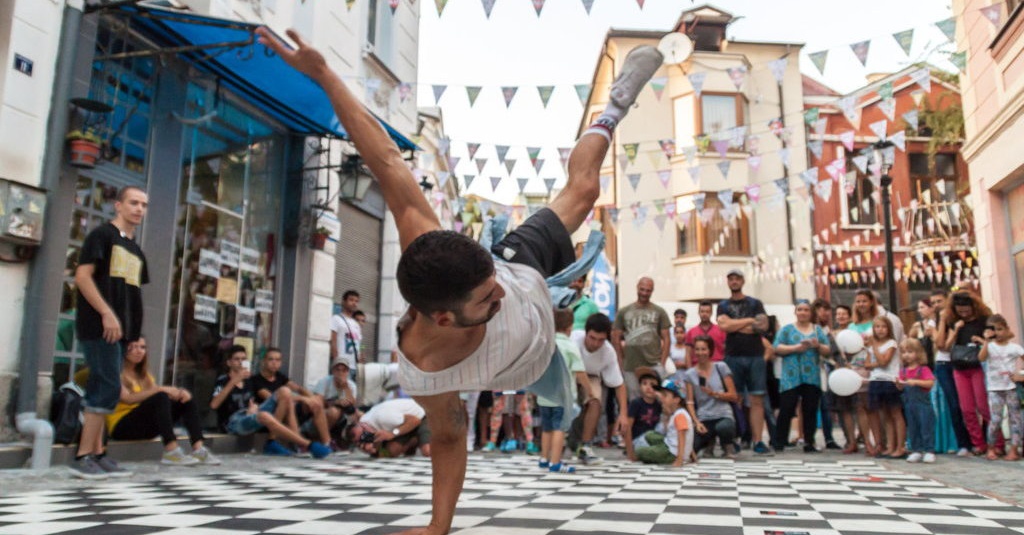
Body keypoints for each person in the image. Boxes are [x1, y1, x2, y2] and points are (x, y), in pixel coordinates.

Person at [70, 186, 149, 479]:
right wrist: (106, 313)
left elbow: (133, 293)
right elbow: (82, 277)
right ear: (118, 205)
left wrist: (133, 334)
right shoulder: (101, 236)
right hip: (99, 326)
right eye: (133, 202)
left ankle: (98, 453)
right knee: (103, 387)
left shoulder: (136, 249)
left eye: (143, 204)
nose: (139, 209)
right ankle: (83, 456)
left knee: (109, 389)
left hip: (122, 332)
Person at [105, 337, 218, 465]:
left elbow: (155, 397)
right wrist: (162, 389)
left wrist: (178, 393)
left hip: (141, 425)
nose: (139, 351)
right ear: (124, 350)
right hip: (121, 426)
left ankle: (199, 449)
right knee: (161, 396)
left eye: (142, 347)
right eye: (134, 347)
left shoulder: (144, 375)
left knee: (185, 399)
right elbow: (128, 399)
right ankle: (171, 451)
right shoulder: (115, 373)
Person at [210, 345, 330, 458]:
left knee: (285, 391)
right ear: (229, 363)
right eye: (237, 359)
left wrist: (253, 408)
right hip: (232, 422)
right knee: (265, 415)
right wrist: (233, 381)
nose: (241, 362)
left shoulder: (248, 381)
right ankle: (307, 444)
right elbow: (214, 405)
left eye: (243, 359)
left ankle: (285, 444)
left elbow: (254, 401)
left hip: (248, 415)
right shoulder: (223, 380)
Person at [716, 268, 771, 455]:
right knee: (735, 398)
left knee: (757, 399)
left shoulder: (755, 303)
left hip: (755, 355)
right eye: (730, 278)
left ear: (743, 281)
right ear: (727, 282)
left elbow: (762, 325)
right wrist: (749, 321)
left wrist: (734, 325)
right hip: (733, 356)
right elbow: (724, 326)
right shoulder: (722, 305)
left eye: (737, 278)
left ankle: (757, 441)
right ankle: (736, 439)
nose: (734, 281)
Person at [937, 290, 995, 455]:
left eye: (966, 310)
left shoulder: (983, 320)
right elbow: (944, 347)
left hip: (978, 367)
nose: (963, 313)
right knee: (967, 409)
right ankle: (977, 443)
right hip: (959, 367)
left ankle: (995, 443)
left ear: (973, 306)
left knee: (984, 407)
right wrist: (954, 330)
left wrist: (982, 341)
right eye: (960, 310)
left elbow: (995, 342)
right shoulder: (954, 321)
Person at [772, 301, 831, 453]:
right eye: (800, 310)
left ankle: (809, 441)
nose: (803, 312)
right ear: (795, 312)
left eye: (806, 310)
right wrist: (796, 348)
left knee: (810, 409)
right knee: (786, 407)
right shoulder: (787, 330)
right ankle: (779, 440)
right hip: (791, 376)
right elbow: (776, 347)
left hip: (811, 375)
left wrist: (818, 346)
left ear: (811, 313)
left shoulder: (817, 330)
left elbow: (828, 350)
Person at [569, 313, 628, 464]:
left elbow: (619, 384)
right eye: (592, 338)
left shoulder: (608, 352)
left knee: (595, 401)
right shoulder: (574, 338)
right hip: (570, 372)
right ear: (586, 333)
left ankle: (586, 446)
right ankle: (557, 439)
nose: (595, 344)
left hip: (592, 376)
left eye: (601, 340)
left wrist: (623, 414)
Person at [538, 308, 590, 473]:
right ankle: (555, 462)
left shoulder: (546, 344)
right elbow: (580, 372)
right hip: (563, 396)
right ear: (569, 327)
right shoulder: (569, 346)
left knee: (546, 428)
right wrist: (590, 391)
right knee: (560, 428)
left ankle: (544, 458)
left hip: (544, 395)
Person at [252, 348, 332, 454]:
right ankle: (296, 444)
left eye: (277, 360)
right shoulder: (256, 380)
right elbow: (272, 398)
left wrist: (312, 398)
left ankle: (327, 443)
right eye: (271, 359)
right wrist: (303, 399)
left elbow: (298, 388)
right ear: (264, 362)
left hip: (288, 409)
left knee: (316, 404)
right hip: (271, 413)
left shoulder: (280, 376)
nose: (274, 363)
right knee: (288, 401)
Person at [612, 277, 672, 400]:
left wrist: (663, 362)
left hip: (654, 363)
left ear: (652, 291)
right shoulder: (624, 311)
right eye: (642, 289)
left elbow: (667, 338)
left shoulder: (659, 311)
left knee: (658, 398)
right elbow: (615, 337)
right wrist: (620, 361)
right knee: (634, 400)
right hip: (630, 365)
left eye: (648, 290)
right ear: (637, 288)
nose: (644, 293)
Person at [929, 289, 972, 456]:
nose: (937, 305)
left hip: (962, 363)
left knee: (967, 405)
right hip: (944, 364)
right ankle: (962, 443)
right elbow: (942, 345)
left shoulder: (962, 317)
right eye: (933, 303)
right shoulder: (938, 320)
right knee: (953, 404)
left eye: (939, 301)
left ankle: (975, 441)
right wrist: (946, 325)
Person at [683, 336, 738, 458]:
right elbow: (690, 402)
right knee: (694, 447)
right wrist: (696, 422)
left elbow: (733, 395)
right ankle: (709, 443)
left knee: (724, 427)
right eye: (697, 349)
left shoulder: (721, 367)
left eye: (704, 349)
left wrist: (714, 393)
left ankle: (727, 445)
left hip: (723, 414)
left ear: (710, 350)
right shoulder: (689, 374)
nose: (700, 353)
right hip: (704, 417)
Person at [977, 314, 1023, 461]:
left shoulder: (1014, 347)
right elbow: (981, 358)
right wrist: (986, 341)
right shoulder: (989, 347)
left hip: (1011, 387)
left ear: (1007, 329)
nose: (997, 333)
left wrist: (1020, 375)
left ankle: (1014, 449)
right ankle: (991, 447)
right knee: (995, 419)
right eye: (993, 330)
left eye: (1000, 329)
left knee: (1015, 418)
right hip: (995, 388)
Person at [865, 316, 906, 458]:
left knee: (896, 413)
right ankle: (890, 445)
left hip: (889, 380)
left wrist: (875, 347)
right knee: (885, 415)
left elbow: (884, 361)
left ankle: (900, 446)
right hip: (876, 379)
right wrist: (876, 358)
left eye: (883, 327)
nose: (880, 330)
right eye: (877, 327)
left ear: (888, 329)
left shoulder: (892, 343)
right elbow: (867, 364)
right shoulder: (871, 346)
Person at [635, 379, 693, 466]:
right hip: (670, 445)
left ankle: (661, 455)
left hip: (672, 453)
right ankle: (657, 451)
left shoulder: (680, 415)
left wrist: (679, 459)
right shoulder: (677, 413)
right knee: (650, 435)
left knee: (639, 451)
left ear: (676, 399)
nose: (662, 398)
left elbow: (682, 436)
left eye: (665, 395)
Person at [896, 338, 936, 463]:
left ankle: (929, 450)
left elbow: (930, 383)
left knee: (926, 427)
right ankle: (916, 450)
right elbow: (901, 387)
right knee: (913, 427)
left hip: (923, 405)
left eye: (910, 351)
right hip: (909, 404)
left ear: (918, 353)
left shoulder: (923, 369)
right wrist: (898, 383)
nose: (906, 355)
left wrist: (916, 382)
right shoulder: (903, 371)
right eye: (904, 352)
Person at [350, 398, 431, 458]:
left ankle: (416, 441)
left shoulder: (383, 417)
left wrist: (392, 434)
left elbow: (415, 420)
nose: (366, 436)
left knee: (427, 451)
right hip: (403, 425)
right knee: (391, 451)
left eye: (364, 433)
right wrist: (373, 450)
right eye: (361, 439)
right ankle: (412, 441)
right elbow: (382, 453)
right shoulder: (364, 421)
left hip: (422, 415)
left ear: (363, 425)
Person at [813, 298, 841, 450]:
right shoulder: (809, 328)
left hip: (826, 368)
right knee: (810, 405)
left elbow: (833, 350)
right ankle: (808, 438)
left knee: (826, 404)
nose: (825, 313)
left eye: (827, 310)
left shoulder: (828, 330)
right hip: (811, 368)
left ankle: (829, 438)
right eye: (821, 309)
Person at [311, 356, 359, 447]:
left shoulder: (351, 385)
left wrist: (345, 388)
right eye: (338, 370)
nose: (340, 373)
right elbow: (317, 402)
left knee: (360, 415)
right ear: (333, 371)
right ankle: (322, 439)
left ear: (348, 372)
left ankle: (349, 441)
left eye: (344, 370)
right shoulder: (324, 382)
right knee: (334, 412)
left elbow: (352, 404)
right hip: (324, 413)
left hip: (344, 414)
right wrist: (335, 402)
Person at [623, 367, 663, 462]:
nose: (648, 387)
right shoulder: (636, 403)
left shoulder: (659, 405)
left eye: (652, 385)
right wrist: (630, 451)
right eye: (644, 383)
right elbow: (627, 428)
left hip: (654, 439)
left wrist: (662, 399)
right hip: (638, 440)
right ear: (639, 386)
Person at [331, 290, 363, 364]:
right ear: (344, 302)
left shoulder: (356, 324)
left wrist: (361, 357)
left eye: (356, 301)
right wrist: (336, 361)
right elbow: (333, 341)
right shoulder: (336, 319)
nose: (354, 303)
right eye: (351, 300)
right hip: (342, 365)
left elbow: (359, 344)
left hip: (355, 365)